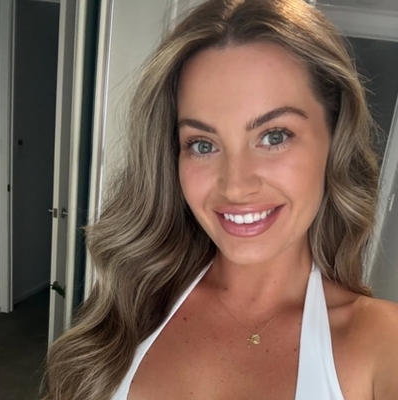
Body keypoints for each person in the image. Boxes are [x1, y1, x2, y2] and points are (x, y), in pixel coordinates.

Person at [42, 0, 398, 399]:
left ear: (334, 141)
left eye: (274, 136)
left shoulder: (382, 343)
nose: (235, 186)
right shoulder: (135, 302)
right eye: (202, 144)